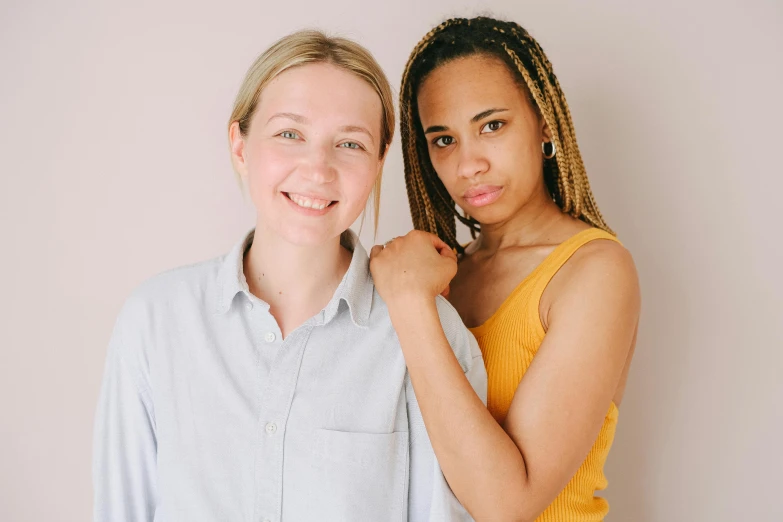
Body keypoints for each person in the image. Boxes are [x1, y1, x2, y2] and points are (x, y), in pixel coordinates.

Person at [93, 29, 485, 522]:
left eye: (350, 143)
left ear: (378, 162)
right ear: (240, 145)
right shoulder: (154, 321)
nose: (318, 168)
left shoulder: (430, 334)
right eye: (289, 134)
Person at [370, 17, 641, 521]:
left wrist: (409, 304)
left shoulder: (595, 271)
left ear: (543, 123)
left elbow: (506, 504)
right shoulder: (442, 274)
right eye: (443, 139)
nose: (468, 164)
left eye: (491, 126)